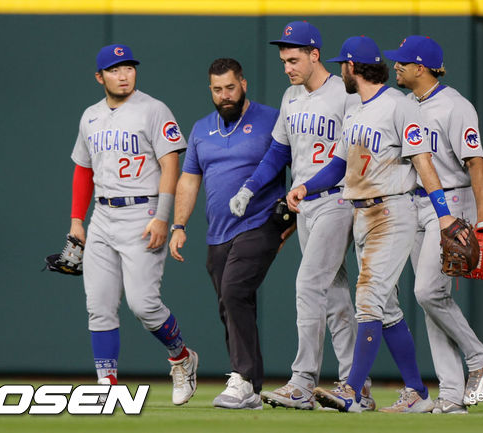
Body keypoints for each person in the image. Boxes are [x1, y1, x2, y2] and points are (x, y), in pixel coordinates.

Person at [287, 35, 462, 413]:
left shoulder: (397, 107)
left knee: (366, 300)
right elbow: (339, 164)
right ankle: (416, 391)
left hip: (393, 211)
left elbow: (423, 162)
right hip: (361, 212)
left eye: (342, 65)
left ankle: (352, 391)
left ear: (352, 67)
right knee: (388, 310)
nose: (339, 72)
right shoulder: (353, 107)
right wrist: (306, 185)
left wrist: (444, 212)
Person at [228, 21, 372, 410]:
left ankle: (303, 381)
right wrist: (249, 187)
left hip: (338, 200)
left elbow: (350, 158)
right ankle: (356, 385)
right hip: (305, 204)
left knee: (309, 284)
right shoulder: (291, 96)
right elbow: (278, 151)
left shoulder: (345, 95)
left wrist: (309, 187)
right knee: (337, 295)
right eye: (282, 60)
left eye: (293, 59)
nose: (287, 66)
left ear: (314, 55)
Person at [69, 44, 198, 405]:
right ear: (100, 77)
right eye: (115, 69)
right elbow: (83, 169)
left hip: (143, 213)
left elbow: (171, 164)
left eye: (129, 67)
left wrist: (163, 216)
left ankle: (181, 357)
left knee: (144, 305)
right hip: (102, 216)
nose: (124, 74)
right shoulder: (90, 116)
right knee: (99, 304)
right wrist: (76, 220)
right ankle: (106, 385)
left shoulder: (153, 109)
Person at [384, 35, 483, 413]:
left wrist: (482, 219)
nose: (396, 66)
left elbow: (476, 164)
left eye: (403, 62)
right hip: (413, 203)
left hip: (451, 202)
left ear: (421, 67)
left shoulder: (455, 106)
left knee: (427, 293)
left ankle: (479, 357)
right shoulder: (404, 103)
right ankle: (451, 394)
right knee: (433, 299)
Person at [169, 58, 292, 410]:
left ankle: (243, 377)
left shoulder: (271, 119)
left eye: (231, 88)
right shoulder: (201, 129)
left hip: (261, 222)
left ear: (244, 84)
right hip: (218, 233)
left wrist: (293, 221)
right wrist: (179, 225)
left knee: (235, 290)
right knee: (231, 304)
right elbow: (190, 180)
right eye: (217, 90)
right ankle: (251, 388)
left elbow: (297, 166)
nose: (225, 96)